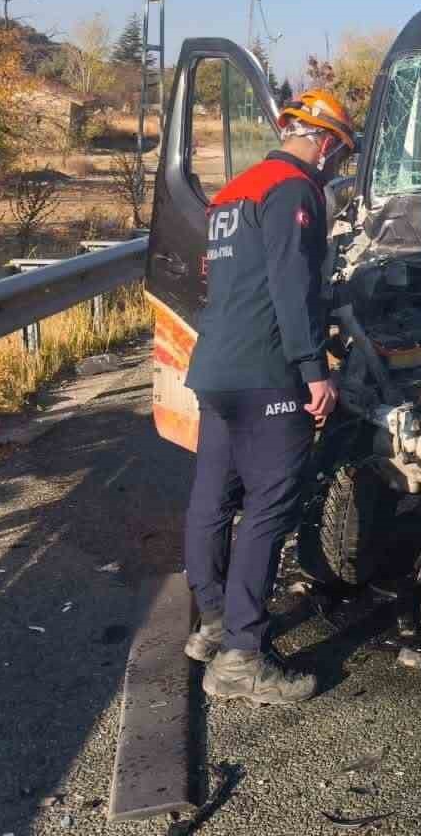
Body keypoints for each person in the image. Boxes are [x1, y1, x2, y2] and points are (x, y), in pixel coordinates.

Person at [180, 88, 356, 704]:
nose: (336, 165)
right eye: (341, 152)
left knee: (212, 497)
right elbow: (292, 286)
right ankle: (241, 658)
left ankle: (211, 623)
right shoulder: (295, 190)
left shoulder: (234, 191)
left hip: (216, 368)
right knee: (268, 509)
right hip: (266, 373)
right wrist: (315, 370)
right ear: (327, 140)